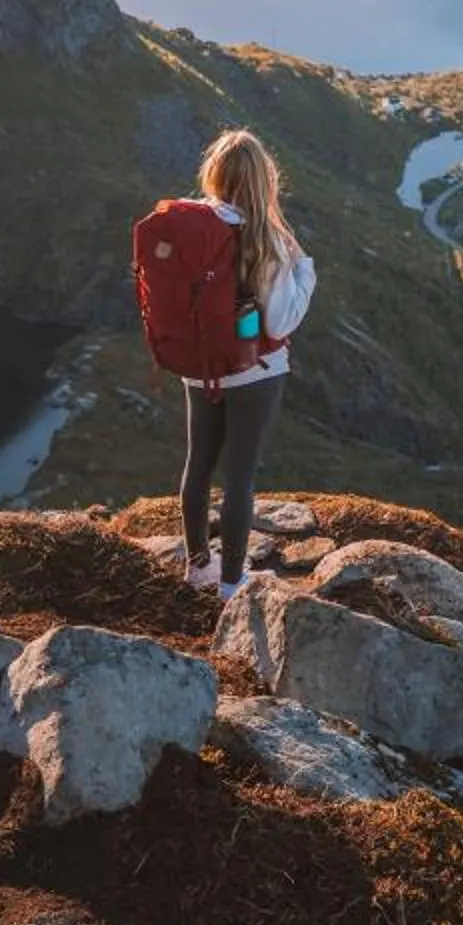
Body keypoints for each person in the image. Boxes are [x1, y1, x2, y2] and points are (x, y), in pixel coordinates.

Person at [175, 128, 314, 597]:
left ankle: (198, 567)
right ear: (263, 181)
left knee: (198, 465)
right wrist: (304, 269)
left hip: (198, 362)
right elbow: (280, 320)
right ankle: (232, 584)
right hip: (254, 371)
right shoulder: (264, 236)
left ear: (213, 173)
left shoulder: (190, 223)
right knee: (240, 476)